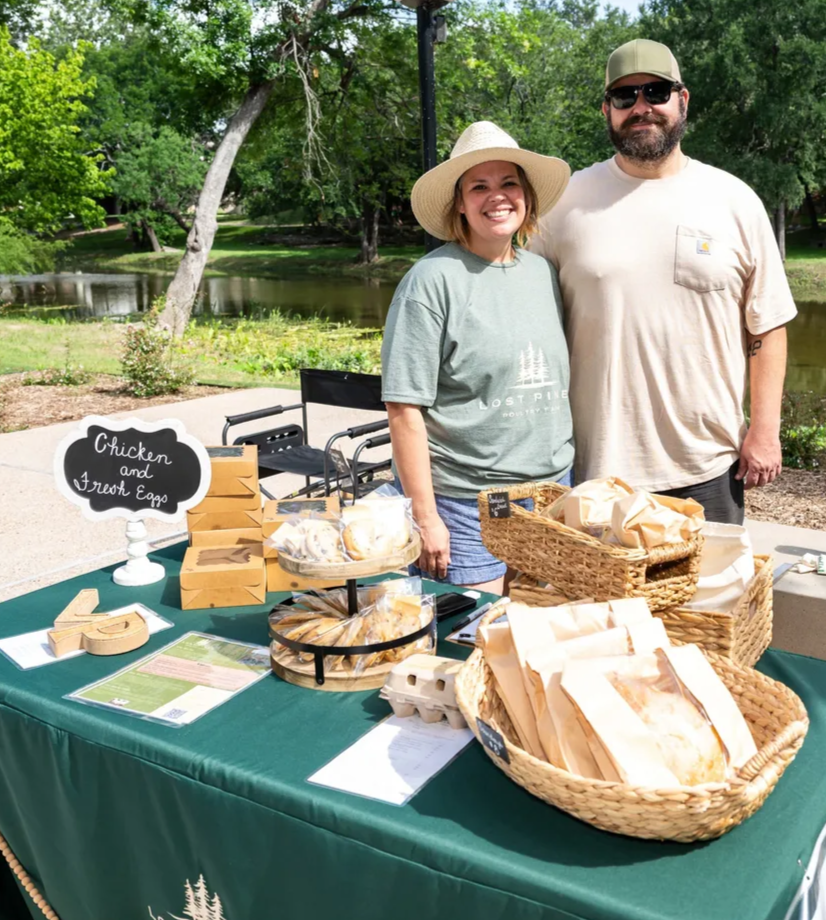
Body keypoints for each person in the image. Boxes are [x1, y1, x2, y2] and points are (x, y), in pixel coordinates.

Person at [532, 39, 797, 525]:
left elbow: (767, 325)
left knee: (706, 601)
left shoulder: (733, 200)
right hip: (597, 469)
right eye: (624, 96)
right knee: (607, 604)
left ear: (682, 99)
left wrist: (765, 429)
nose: (641, 107)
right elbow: (523, 322)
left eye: (655, 91)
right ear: (606, 109)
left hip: (711, 465)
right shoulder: (565, 203)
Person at [381, 121, 573, 593]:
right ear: (460, 204)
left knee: (536, 637)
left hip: (553, 494)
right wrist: (426, 517)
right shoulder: (431, 282)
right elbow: (404, 409)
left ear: (526, 196)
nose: (497, 197)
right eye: (479, 186)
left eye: (509, 183)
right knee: (466, 642)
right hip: (467, 505)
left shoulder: (542, 273)